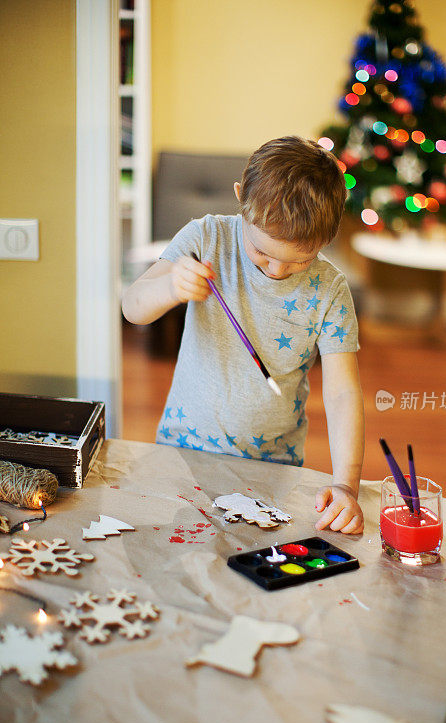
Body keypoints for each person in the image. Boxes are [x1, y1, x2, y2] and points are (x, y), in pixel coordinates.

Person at [122, 136, 364, 534]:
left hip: (271, 468)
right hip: (182, 454)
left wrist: (345, 483)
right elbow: (133, 308)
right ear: (240, 198)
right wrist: (169, 288)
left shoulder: (330, 289)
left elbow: (342, 394)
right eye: (261, 252)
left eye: (299, 260)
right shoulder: (206, 237)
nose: (276, 270)